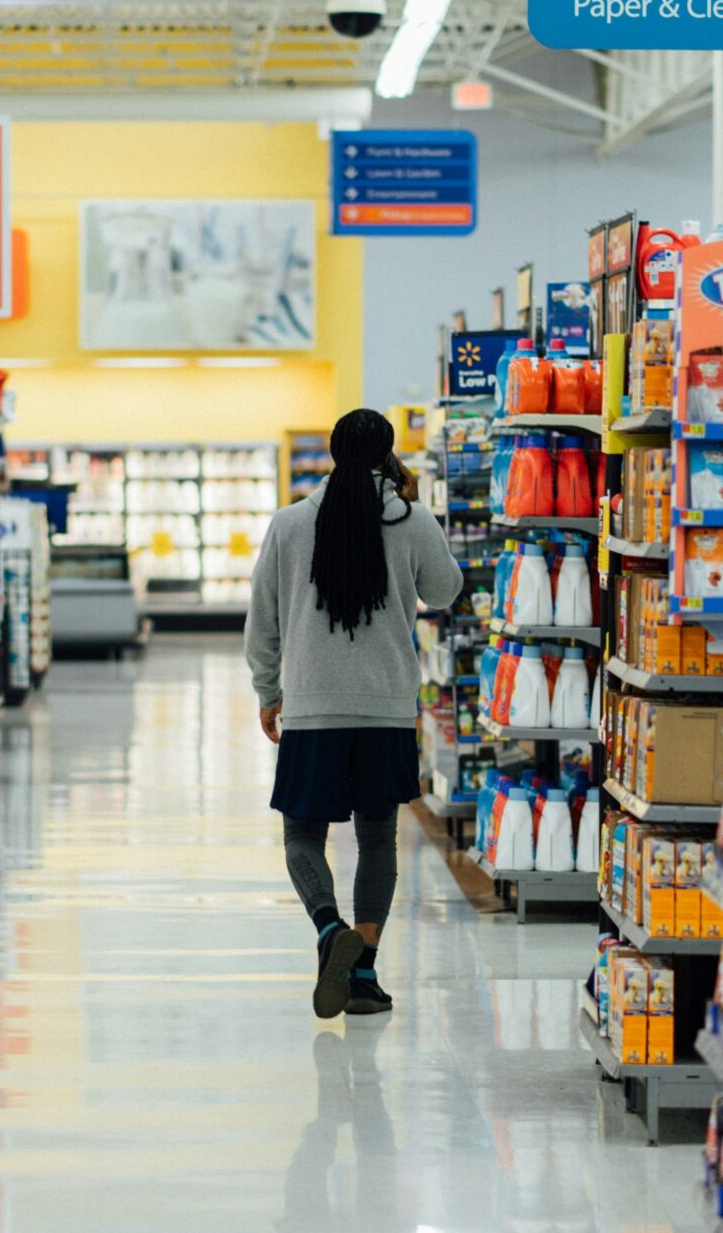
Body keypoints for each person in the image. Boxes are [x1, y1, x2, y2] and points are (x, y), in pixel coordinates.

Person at [246, 408, 462, 1018]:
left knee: (301, 835)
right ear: (388, 455)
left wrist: (268, 691)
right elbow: (445, 591)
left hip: (312, 705)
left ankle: (328, 928)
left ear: (334, 452)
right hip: (386, 707)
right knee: (376, 836)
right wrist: (416, 514)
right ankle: (363, 974)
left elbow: (262, 620)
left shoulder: (291, 523)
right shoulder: (410, 518)